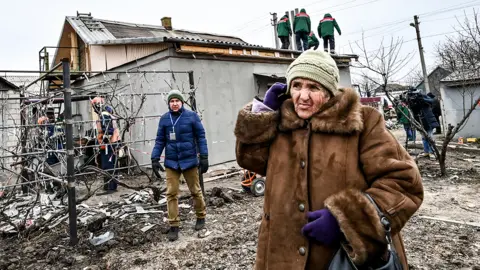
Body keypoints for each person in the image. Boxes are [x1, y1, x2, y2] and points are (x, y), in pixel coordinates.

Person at [234, 50, 423, 269]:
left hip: (342, 259)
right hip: (281, 256)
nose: (302, 96)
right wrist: (262, 113)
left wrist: (347, 220)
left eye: (313, 87)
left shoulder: (363, 123)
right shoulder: (282, 122)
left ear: (330, 91)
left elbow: (404, 184)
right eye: (296, 86)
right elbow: (250, 160)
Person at [151, 89, 209, 241]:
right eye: (172, 101)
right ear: (169, 103)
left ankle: (201, 216)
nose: (174, 103)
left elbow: (201, 137)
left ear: (181, 102)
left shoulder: (192, 116)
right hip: (172, 162)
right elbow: (160, 141)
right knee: (171, 194)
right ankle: (174, 225)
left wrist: (204, 156)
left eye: (177, 101)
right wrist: (154, 158)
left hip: (189, 160)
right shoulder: (164, 119)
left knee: (195, 191)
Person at [91, 97, 121, 192]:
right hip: (113, 143)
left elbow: (108, 130)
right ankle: (109, 186)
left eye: (94, 105)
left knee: (108, 166)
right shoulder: (108, 113)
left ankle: (110, 187)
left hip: (109, 144)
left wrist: (105, 139)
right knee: (112, 164)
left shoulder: (104, 115)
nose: (94, 108)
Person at [406, 91, 439, 160]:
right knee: (424, 138)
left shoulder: (424, 99)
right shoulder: (413, 103)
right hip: (420, 122)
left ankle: (432, 152)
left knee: (429, 137)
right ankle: (426, 151)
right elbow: (412, 109)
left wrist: (422, 99)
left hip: (428, 121)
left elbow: (432, 101)